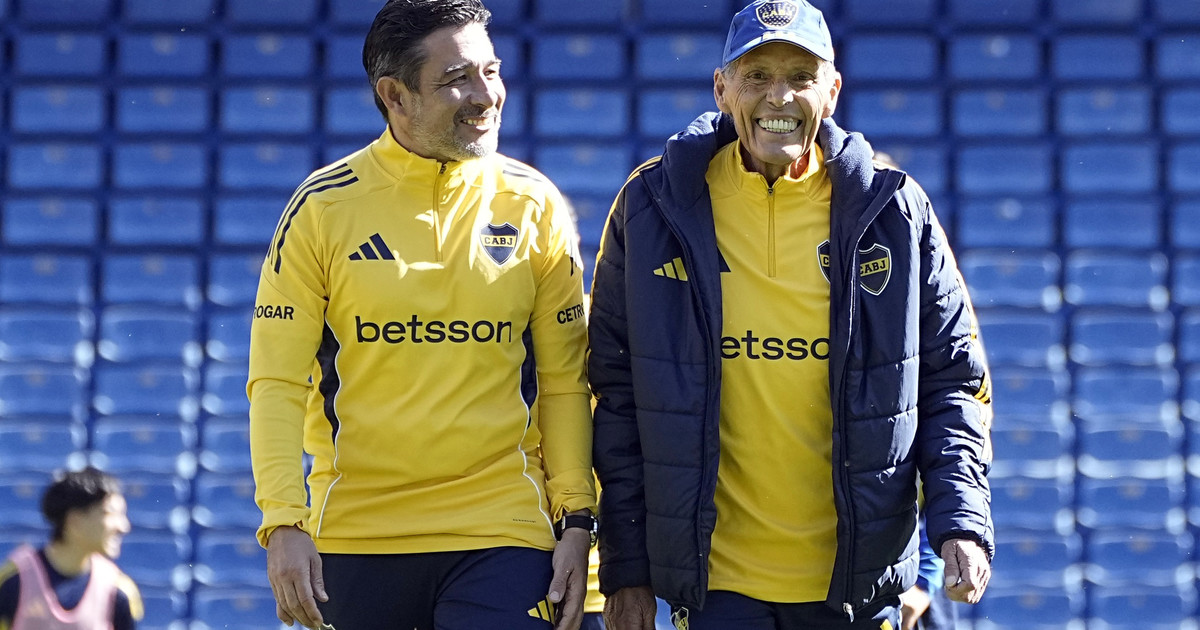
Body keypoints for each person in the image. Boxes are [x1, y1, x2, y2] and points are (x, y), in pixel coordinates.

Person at [587, 0, 994, 628]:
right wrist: (627, 569)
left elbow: (953, 382)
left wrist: (960, 522)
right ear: (721, 89)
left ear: (831, 92)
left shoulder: (896, 212)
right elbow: (614, 395)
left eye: (801, 78)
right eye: (756, 76)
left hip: (856, 587)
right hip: (716, 588)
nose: (779, 96)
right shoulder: (651, 206)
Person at [247, 1, 597, 629]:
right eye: (457, 78)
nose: (485, 95)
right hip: (355, 532)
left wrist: (576, 518)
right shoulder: (322, 209)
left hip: (502, 527)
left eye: (491, 71)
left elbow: (565, 380)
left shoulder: (534, 204)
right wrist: (283, 522)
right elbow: (276, 380)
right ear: (395, 96)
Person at [0, 467, 142, 630]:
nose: (124, 527)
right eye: (110, 514)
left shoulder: (118, 591)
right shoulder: (13, 581)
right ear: (75, 520)